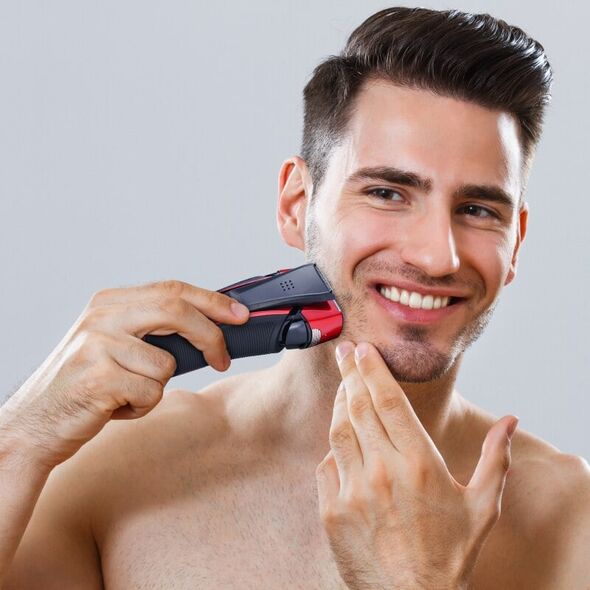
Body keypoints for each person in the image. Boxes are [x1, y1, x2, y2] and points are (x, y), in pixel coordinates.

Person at [1, 6, 588, 589]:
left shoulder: (573, 522)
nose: (438, 257)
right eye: (387, 193)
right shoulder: (110, 471)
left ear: (516, 243)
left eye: (478, 210)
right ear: (296, 206)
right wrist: (17, 441)